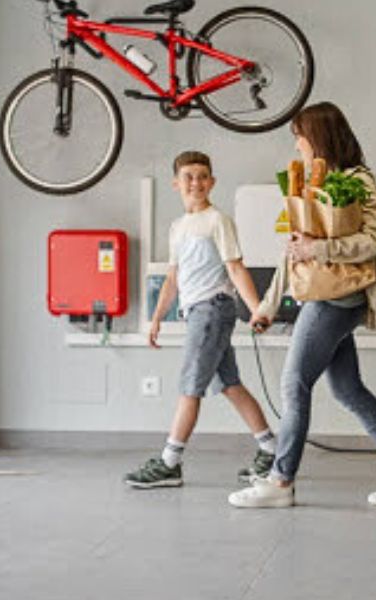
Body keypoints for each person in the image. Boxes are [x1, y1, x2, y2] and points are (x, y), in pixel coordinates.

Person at [228, 102, 376, 508]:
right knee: (347, 389)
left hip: (339, 298)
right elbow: (295, 253)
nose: (297, 144)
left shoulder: (358, 180)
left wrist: (320, 247)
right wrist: (269, 304)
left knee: (293, 384)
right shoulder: (312, 183)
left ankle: (280, 481)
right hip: (322, 295)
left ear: (318, 137)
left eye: (301, 136)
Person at [124, 151, 277, 488]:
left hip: (212, 309)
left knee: (188, 388)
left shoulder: (217, 221)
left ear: (212, 182)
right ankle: (272, 451)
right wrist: (156, 319)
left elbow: (236, 268)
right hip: (197, 311)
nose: (196, 182)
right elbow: (173, 278)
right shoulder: (178, 227)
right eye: (189, 176)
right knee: (229, 385)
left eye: (203, 176)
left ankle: (169, 463)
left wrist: (257, 309)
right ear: (176, 183)